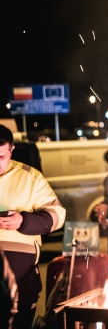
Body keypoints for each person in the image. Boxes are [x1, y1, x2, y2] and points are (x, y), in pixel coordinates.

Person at [0, 124, 67, 329]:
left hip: (22, 280)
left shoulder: (30, 177)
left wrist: (23, 222)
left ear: (11, 150)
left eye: (1, 157)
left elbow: (57, 215)